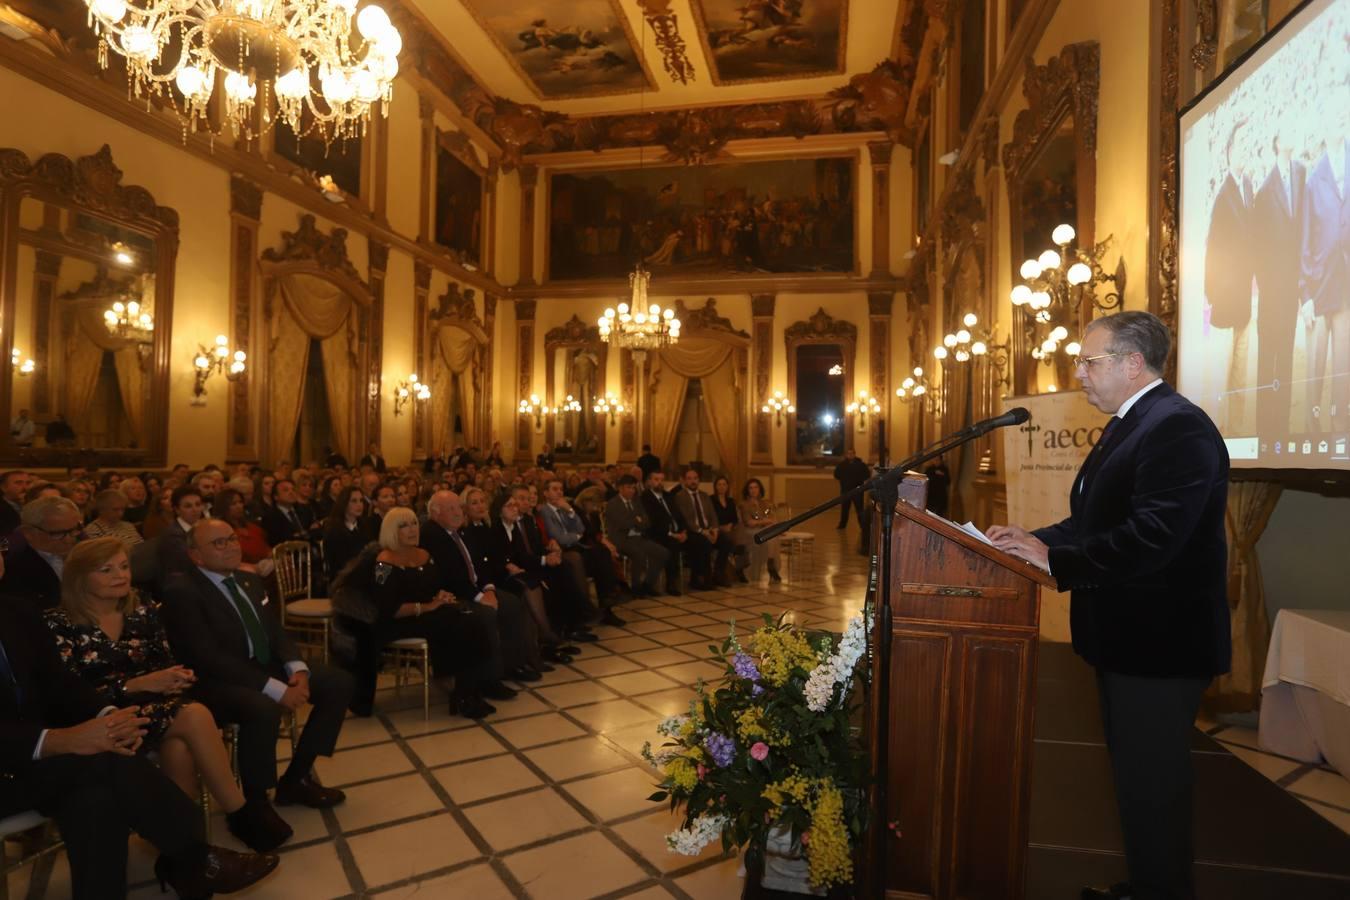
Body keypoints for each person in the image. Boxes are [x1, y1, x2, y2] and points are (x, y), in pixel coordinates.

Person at [987, 312, 1230, 900]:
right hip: (1128, 639)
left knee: (1155, 784)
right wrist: (1036, 540)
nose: (1079, 374)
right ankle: (1147, 883)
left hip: (1160, 644)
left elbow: (1152, 539)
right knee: (1136, 782)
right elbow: (1094, 522)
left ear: (1132, 364)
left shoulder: (1178, 429)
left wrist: (1057, 564)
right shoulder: (1133, 423)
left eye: (1089, 362)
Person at [0, 569, 280, 898]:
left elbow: (59, 683)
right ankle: (196, 857)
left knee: (95, 794)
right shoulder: (51, 616)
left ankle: (191, 860)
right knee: (105, 762)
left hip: (38, 763)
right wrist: (60, 740)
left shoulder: (15, 611)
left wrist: (108, 716)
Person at [45, 538, 292, 852]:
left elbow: (163, 661)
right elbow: (66, 694)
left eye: (123, 566)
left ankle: (185, 852)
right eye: (106, 570)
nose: (120, 575)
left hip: (154, 708)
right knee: (193, 714)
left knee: (179, 748)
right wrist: (137, 685)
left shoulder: (141, 606)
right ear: (79, 578)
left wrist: (175, 678)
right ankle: (240, 814)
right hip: (98, 718)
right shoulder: (58, 623)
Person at [160, 519, 354, 811]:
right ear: (196, 555)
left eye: (232, 539)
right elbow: (207, 658)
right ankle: (255, 801)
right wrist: (277, 690)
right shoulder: (182, 591)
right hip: (216, 681)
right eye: (218, 543)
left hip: (260, 666)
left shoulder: (247, 580)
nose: (231, 547)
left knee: (338, 682)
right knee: (263, 707)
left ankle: (297, 779)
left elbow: (274, 631)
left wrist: (297, 668)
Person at [330, 507, 498, 718]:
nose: (412, 530)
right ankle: (464, 694)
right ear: (392, 531)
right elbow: (386, 608)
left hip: (425, 614)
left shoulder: (425, 555)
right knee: (462, 624)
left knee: (472, 621)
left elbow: (431, 588)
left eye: (414, 524)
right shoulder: (384, 562)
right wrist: (428, 606)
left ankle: (468, 690)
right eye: (404, 526)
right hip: (397, 620)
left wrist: (441, 596)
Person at [420, 491, 525, 701]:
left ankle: (510, 667)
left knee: (512, 604)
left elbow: (480, 564)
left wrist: (489, 589)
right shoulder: (433, 534)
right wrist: (480, 598)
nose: (458, 512)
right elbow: (453, 577)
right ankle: (489, 680)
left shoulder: (460, 531)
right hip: (455, 596)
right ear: (435, 512)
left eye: (459, 507)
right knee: (485, 615)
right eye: (451, 509)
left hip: (476, 588)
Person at [540, 478, 622, 625]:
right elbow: (559, 537)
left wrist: (570, 511)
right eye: (554, 489)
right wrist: (575, 536)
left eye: (560, 489)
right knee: (583, 558)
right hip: (562, 552)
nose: (559, 492)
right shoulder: (544, 511)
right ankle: (589, 609)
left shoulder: (564, 508)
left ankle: (607, 602)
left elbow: (581, 530)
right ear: (545, 493)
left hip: (575, 548)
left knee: (601, 551)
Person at [1, 496, 83, 610]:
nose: (69, 539)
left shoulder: (85, 550)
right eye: (57, 533)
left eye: (74, 530)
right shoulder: (13, 567)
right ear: (28, 532)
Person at [603, 475, 668, 598]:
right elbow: (622, 524)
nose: (632, 490)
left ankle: (647, 585)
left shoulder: (636, 501)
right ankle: (636, 587)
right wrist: (637, 520)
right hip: (620, 539)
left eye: (633, 488)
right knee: (639, 553)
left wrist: (636, 522)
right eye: (629, 488)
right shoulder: (613, 503)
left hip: (637, 537)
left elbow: (647, 522)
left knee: (663, 552)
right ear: (620, 488)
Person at [640, 470, 690, 596]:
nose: (659, 483)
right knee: (672, 545)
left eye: (662, 480)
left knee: (699, 541)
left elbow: (679, 515)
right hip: (658, 534)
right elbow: (653, 523)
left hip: (677, 532)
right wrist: (672, 534)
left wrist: (684, 531)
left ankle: (699, 578)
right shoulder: (645, 498)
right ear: (650, 481)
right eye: (656, 479)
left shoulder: (668, 496)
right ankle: (671, 583)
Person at [671, 469, 720, 590]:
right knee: (703, 542)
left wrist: (715, 531)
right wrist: (704, 532)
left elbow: (713, 515)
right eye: (689, 478)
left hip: (708, 529)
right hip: (691, 532)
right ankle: (701, 578)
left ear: (699, 480)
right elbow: (687, 520)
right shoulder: (680, 496)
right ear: (684, 480)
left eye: (695, 478)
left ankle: (718, 575)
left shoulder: (704, 495)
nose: (693, 481)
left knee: (726, 542)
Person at [216, 488, 273, 577]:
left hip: (265, 567)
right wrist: (254, 567)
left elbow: (266, 549)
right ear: (224, 507)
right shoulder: (221, 531)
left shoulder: (253, 528)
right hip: (242, 573)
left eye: (240, 502)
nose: (239, 506)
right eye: (233, 504)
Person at [322, 487, 376, 581]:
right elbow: (339, 563)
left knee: (386, 573)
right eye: (354, 501)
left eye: (361, 501)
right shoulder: (334, 531)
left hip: (365, 574)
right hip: (344, 579)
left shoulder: (365, 526)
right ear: (344, 503)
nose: (359, 505)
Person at [738, 478, 782, 583]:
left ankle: (771, 563)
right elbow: (749, 522)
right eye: (750, 488)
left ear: (760, 489)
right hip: (750, 532)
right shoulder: (744, 505)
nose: (753, 490)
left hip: (765, 530)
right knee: (772, 535)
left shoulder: (765, 504)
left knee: (772, 535)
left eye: (756, 487)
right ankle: (771, 564)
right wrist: (764, 521)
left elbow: (771, 518)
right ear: (747, 490)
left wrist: (765, 521)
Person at [261, 478, 314, 546]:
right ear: (276, 496)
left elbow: (316, 532)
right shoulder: (270, 517)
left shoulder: (305, 510)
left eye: (293, 490)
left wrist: (300, 535)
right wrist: (303, 534)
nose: (291, 492)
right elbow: (277, 541)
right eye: (286, 490)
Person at [833, 448, 870, 528]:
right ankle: (842, 524)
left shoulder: (861, 464)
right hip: (845, 490)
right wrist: (844, 480)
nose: (850, 455)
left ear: (854, 454)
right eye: (848, 453)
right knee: (845, 509)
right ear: (846, 455)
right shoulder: (842, 465)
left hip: (858, 490)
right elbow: (836, 474)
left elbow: (867, 474)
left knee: (859, 509)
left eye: (851, 453)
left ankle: (862, 525)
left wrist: (859, 480)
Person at [0, 470, 29, 535]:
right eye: (18, 483)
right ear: (3, 487)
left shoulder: (33, 506)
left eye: (27, 483)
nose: (25, 487)